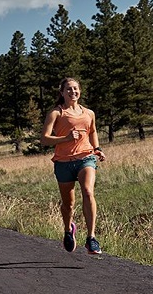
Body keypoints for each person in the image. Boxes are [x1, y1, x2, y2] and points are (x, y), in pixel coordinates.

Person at [40, 77, 106, 255]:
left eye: (75, 88)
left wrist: (97, 149)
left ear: (80, 91)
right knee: (68, 204)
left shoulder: (89, 113)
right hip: (63, 162)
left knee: (88, 192)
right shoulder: (56, 113)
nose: (72, 92)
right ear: (62, 93)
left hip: (86, 158)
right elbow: (44, 139)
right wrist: (66, 138)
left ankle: (91, 238)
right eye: (68, 89)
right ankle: (68, 229)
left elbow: (92, 131)